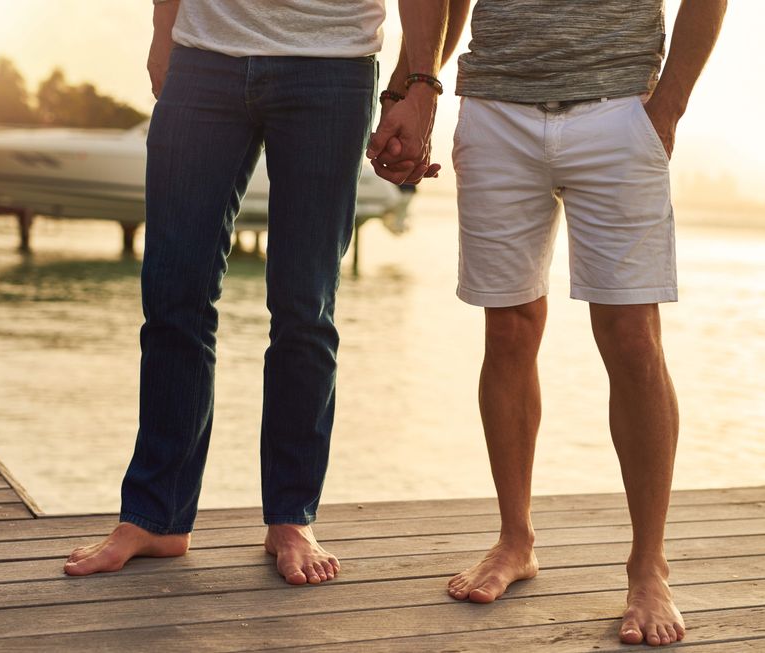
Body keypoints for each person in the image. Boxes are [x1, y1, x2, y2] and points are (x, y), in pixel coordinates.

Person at [370, 0, 726, 646]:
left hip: (619, 106)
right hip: (496, 106)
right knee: (506, 332)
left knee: (633, 341)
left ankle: (649, 565)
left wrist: (668, 106)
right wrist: (408, 89)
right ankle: (515, 538)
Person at [64, 1, 448, 585]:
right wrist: (163, 30)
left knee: (304, 306)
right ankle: (157, 516)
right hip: (204, 54)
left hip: (331, 61)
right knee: (173, 297)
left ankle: (291, 518)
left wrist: (419, 84)